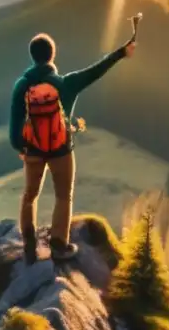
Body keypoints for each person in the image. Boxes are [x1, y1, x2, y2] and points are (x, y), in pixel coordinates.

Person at [9, 33, 135, 263]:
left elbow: (14, 125)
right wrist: (120, 54)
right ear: (52, 55)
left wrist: (21, 147)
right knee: (63, 196)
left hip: (33, 151)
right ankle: (58, 244)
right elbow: (96, 70)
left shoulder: (22, 85)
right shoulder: (66, 83)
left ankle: (28, 242)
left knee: (30, 195)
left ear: (32, 56)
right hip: (61, 150)